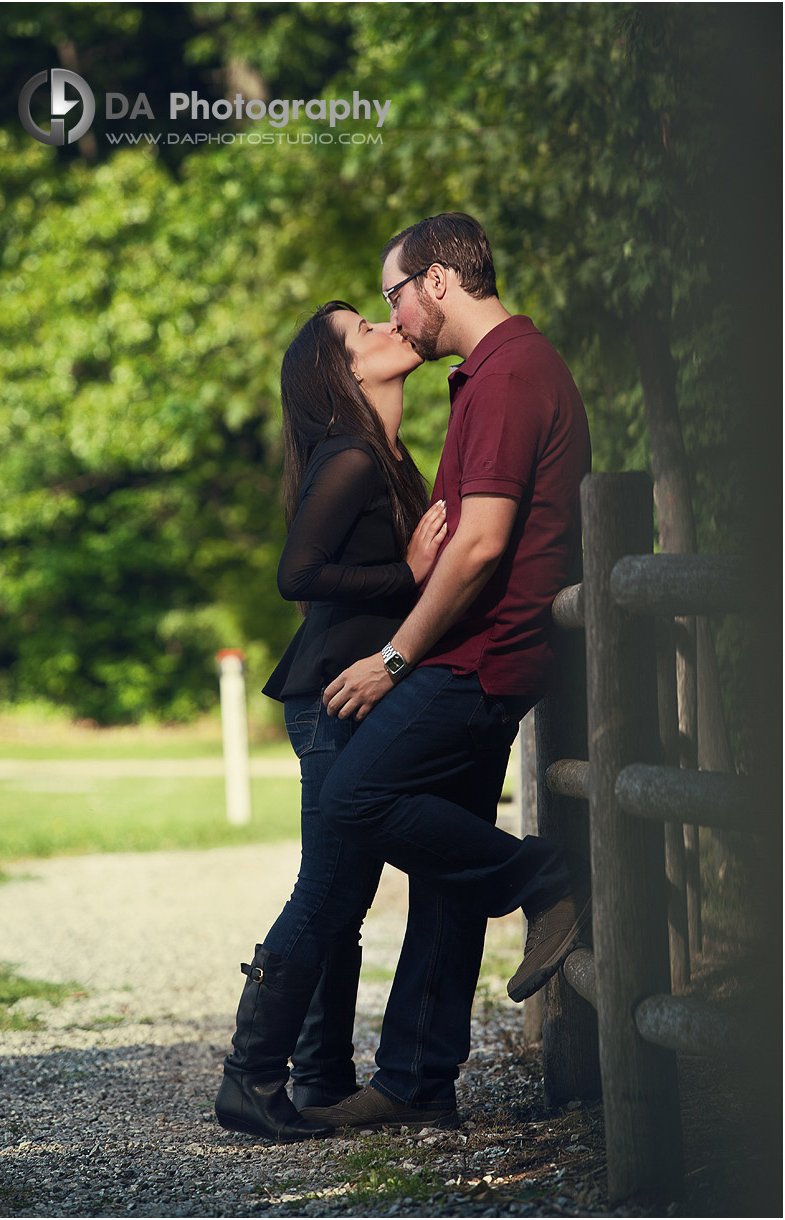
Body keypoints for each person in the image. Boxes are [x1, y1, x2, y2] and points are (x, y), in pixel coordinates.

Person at [300, 213, 593, 1134]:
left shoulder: (506, 377)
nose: (394, 317)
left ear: (435, 282)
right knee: (445, 867)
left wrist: (394, 658)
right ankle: (416, 1080)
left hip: (483, 654)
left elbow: (480, 547)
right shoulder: (491, 376)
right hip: (480, 648)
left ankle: (545, 875)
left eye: (392, 294)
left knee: (352, 798)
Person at [214, 301, 448, 1142]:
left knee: (345, 892)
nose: (389, 329)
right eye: (365, 332)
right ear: (344, 373)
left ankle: (317, 1075)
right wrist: (408, 572)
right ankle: (249, 1078)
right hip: (332, 700)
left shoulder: (387, 458)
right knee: (327, 887)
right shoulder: (349, 457)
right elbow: (299, 576)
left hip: (351, 696)